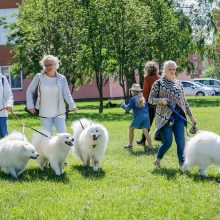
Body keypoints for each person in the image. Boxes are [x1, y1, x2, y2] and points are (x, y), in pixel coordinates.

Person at [148, 60, 197, 167]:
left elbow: (184, 101)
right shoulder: (158, 83)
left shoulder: (179, 83)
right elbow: (150, 99)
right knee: (168, 142)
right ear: (164, 70)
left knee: (181, 141)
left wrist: (191, 116)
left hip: (179, 116)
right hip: (165, 117)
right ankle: (158, 159)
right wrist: (161, 100)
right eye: (170, 69)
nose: (172, 71)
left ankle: (182, 163)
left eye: (174, 69)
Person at [26, 55, 77, 135]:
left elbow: (67, 94)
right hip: (44, 112)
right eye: (46, 65)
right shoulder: (39, 77)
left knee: (63, 136)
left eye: (50, 64)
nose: (48, 67)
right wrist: (30, 106)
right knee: (48, 137)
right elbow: (30, 91)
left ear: (56, 64)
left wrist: (72, 105)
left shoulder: (61, 78)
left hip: (59, 112)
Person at [121, 84, 153, 151]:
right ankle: (150, 148)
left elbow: (127, 109)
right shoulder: (143, 98)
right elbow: (147, 108)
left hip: (139, 116)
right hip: (146, 116)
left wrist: (123, 105)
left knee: (131, 129)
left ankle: (130, 145)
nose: (131, 92)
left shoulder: (132, 99)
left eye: (131, 91)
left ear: (133, 91)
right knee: (146, 132)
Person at [136, 61, 160, 146]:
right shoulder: (159, 77)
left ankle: (143, 140)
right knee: (161, 121)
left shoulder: (147, 78)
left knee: (148, 123)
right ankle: (164, 140)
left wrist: (143, 101)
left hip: (150, 103)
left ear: (147, 69)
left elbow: (146, 92)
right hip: (160, 103)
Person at [0, 72, 14, 138]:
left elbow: (8, 95)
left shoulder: (2, 78)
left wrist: (9, 104)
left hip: (1, 114)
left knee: (4, 138)